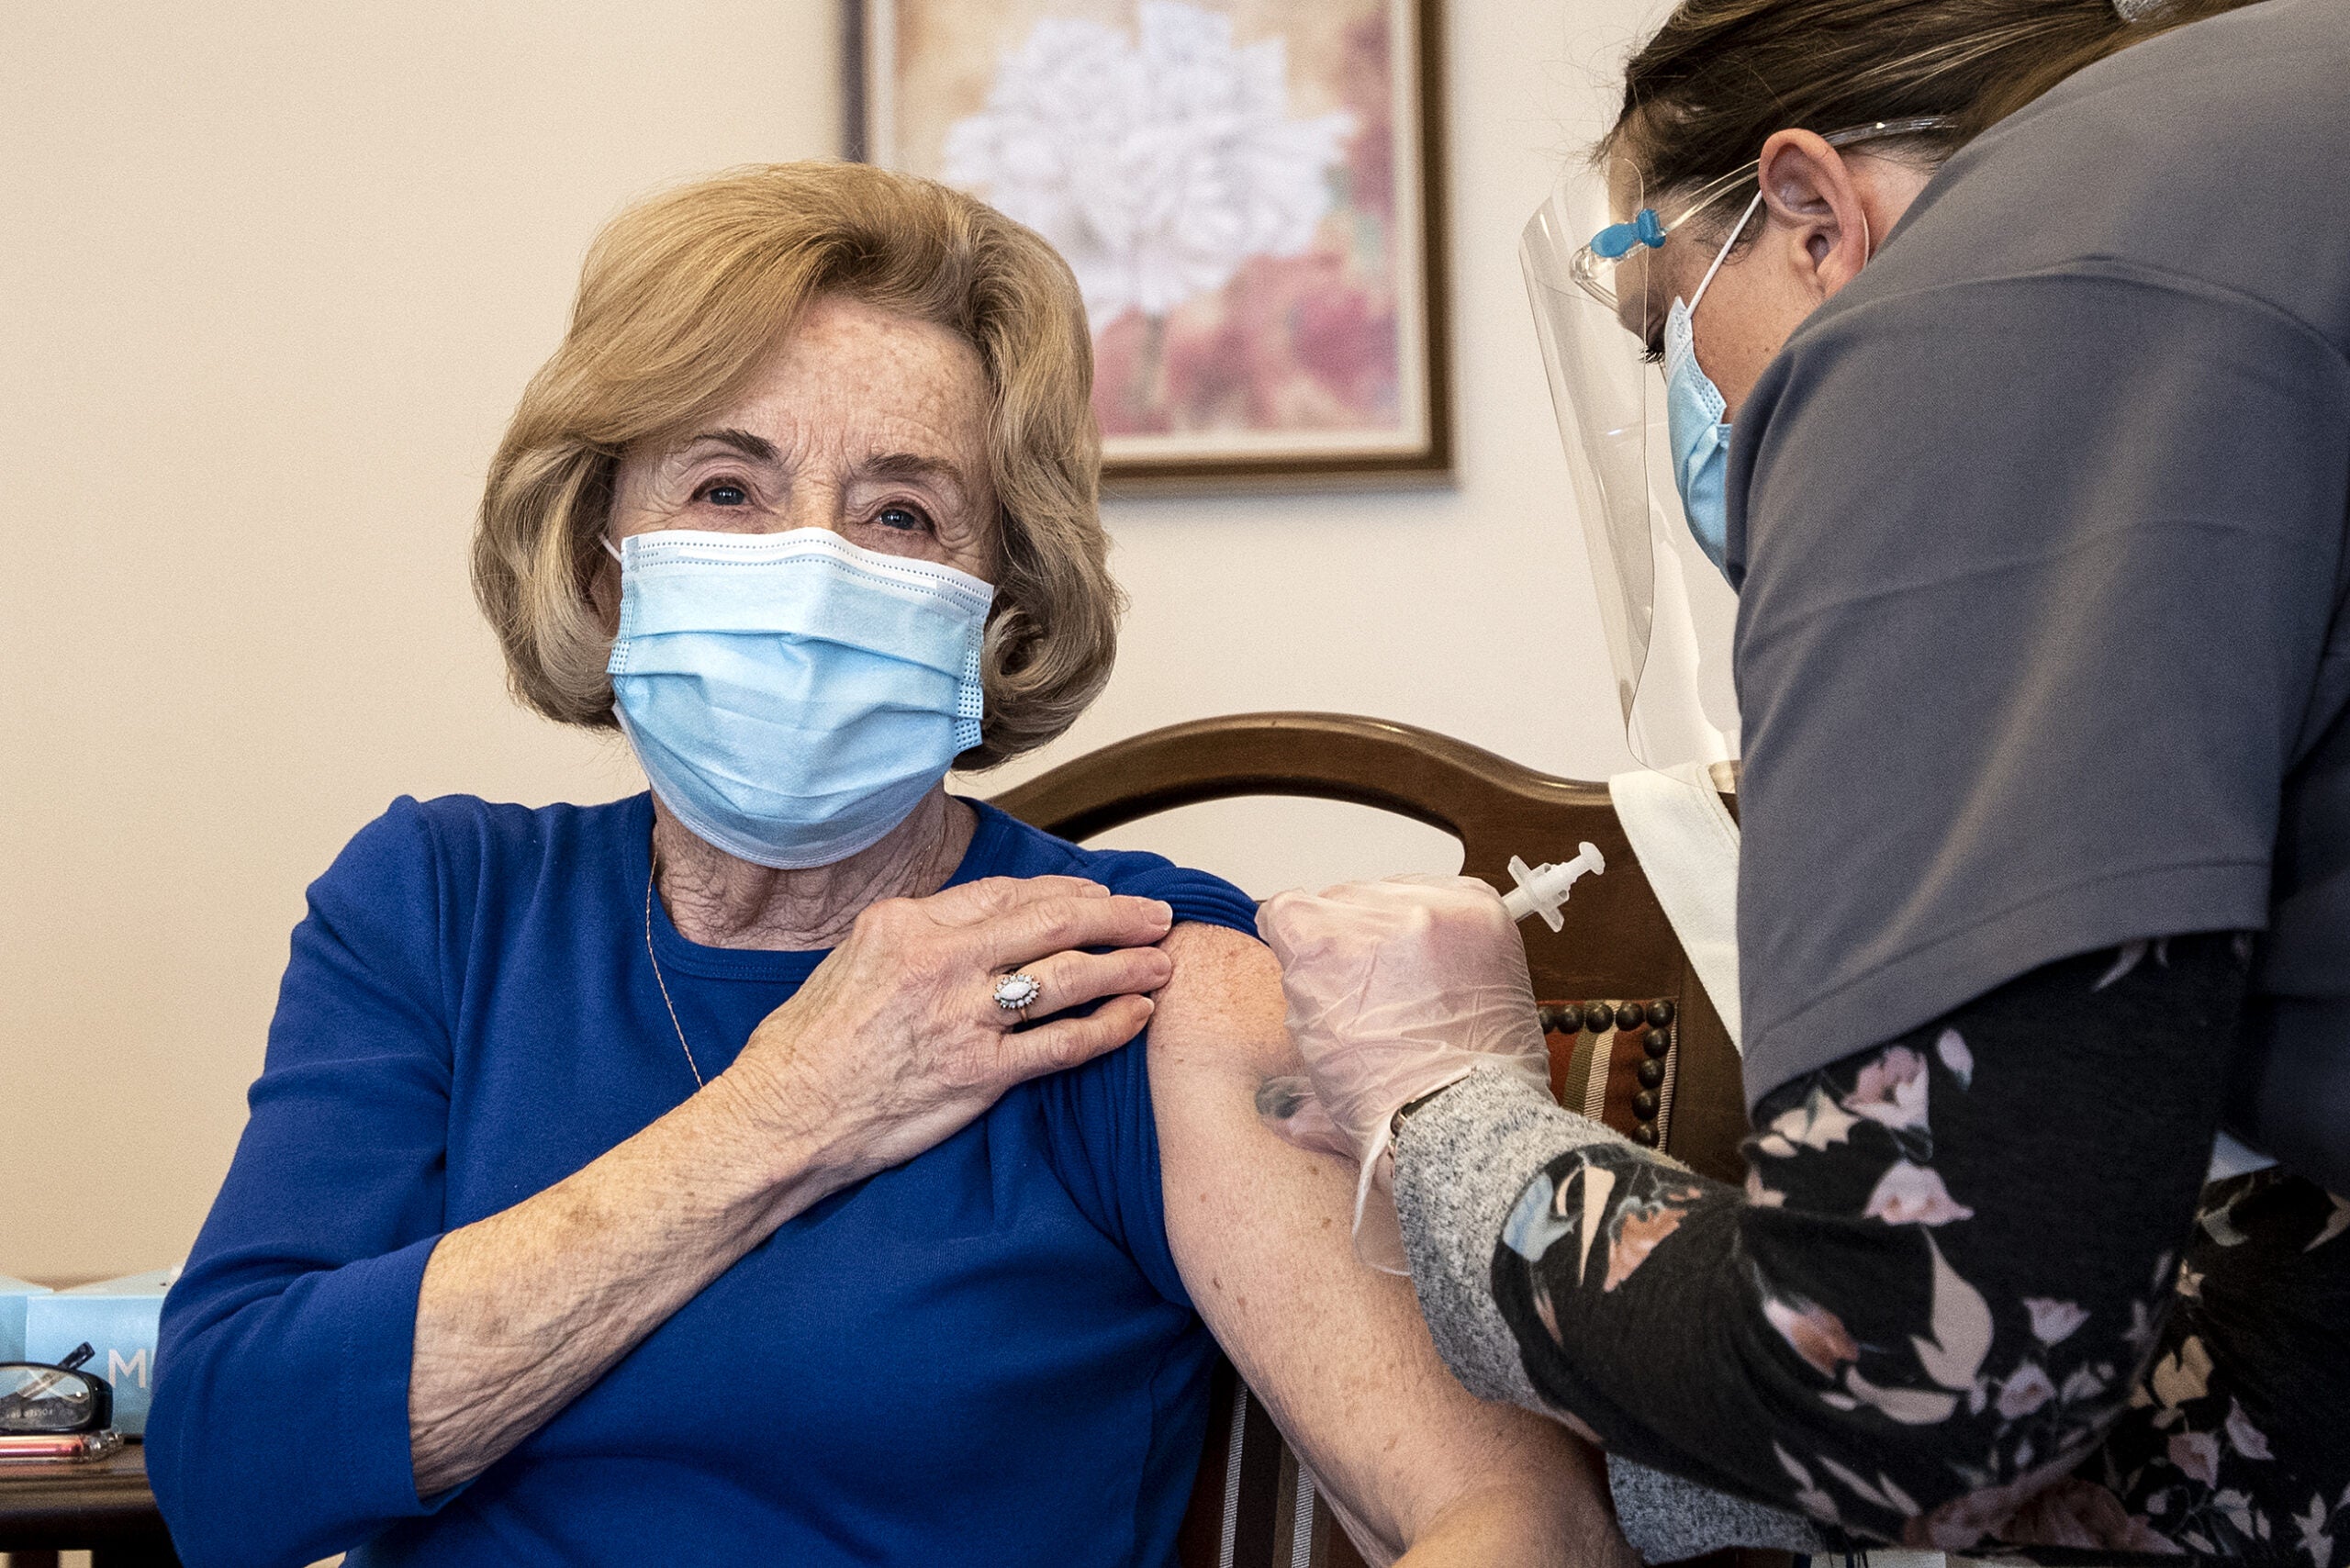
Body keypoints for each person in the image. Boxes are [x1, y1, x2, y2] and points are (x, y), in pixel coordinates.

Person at [146, 162, 1617, 1568]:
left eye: (901, 513)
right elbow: (227, 1470)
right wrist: (798, 1105)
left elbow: (1522, 1528)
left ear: (999, 607)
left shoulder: (1142, 986)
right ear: (603, 557)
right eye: (726, 488)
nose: (811, 571)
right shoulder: (439, 908)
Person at [1259, 0, 2350, 1559]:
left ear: (1810, 215)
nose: (1687, 406)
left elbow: (1914, 1374)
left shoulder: (1988, 315)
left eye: (1663, 331)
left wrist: (1448, 1113)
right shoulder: (2258, 150)